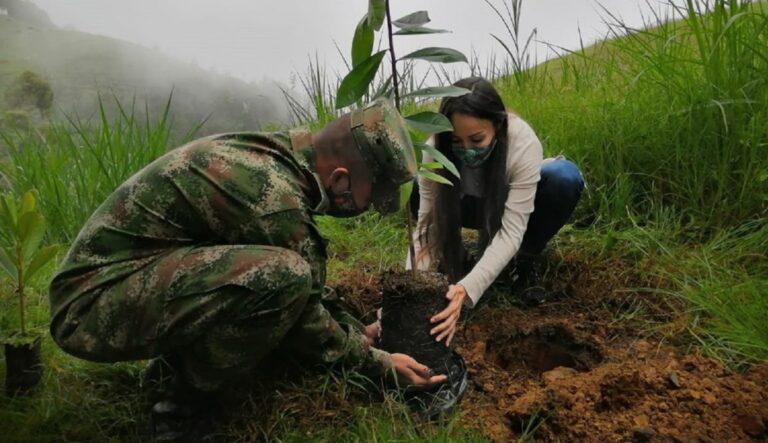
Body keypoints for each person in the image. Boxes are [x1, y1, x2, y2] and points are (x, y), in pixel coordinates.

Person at [48, 98, 446, 441]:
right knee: (280, 277)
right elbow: (303, 307)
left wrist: (357, 333)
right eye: (369, 197)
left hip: (131, 280)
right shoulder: (275, 199)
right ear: (341, 179)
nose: (364, 208)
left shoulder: (280, 157)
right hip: (90, 307)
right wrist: (377, 364)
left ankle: (177, 360)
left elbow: (307, 284)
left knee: (284, 275)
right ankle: (179, 409)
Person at [408, 77, 585, 345]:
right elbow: (427, 226)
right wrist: (411, 289)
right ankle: (453, 255)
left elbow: (511, 230)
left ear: (498, 125)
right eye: (456, 141)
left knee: (564, 177)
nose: (466, 150)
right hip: (466, 206)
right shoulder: (435, 149)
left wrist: (466, 290)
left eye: (477, 139)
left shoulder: (521, 141)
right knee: (414, 186)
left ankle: (525, 260)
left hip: (507, 207)